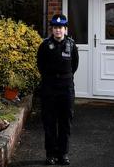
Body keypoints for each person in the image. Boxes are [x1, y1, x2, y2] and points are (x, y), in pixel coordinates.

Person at [37, 14, 79, 165]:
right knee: (49, 122)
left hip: (66, 87)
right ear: (52, 29)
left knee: (65, 122)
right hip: (49, 87)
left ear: (65, 29)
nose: (58, 30)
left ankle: (63, 153)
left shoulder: (72, 45)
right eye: (55, 28)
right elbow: (40, 65)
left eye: (60, 28)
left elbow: (74, 65)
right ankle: (50, 154)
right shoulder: (44, 45)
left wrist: (64, 77)